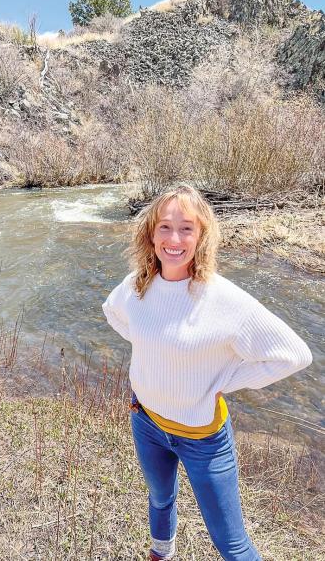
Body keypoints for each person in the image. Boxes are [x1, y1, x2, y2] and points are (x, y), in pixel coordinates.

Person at [102, 185, 313, 561]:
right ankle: (161, 552)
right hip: (145, 421)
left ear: (201, 236)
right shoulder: (138, 284)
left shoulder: (223, 298)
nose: (174, 239)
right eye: (165, 227)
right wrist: (152, 348)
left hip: (203, 440)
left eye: (186, 228)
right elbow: (112, 311)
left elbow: (294, 355)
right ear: (151, 233)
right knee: (160, 498)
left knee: (232, 544)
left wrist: (225, 379)